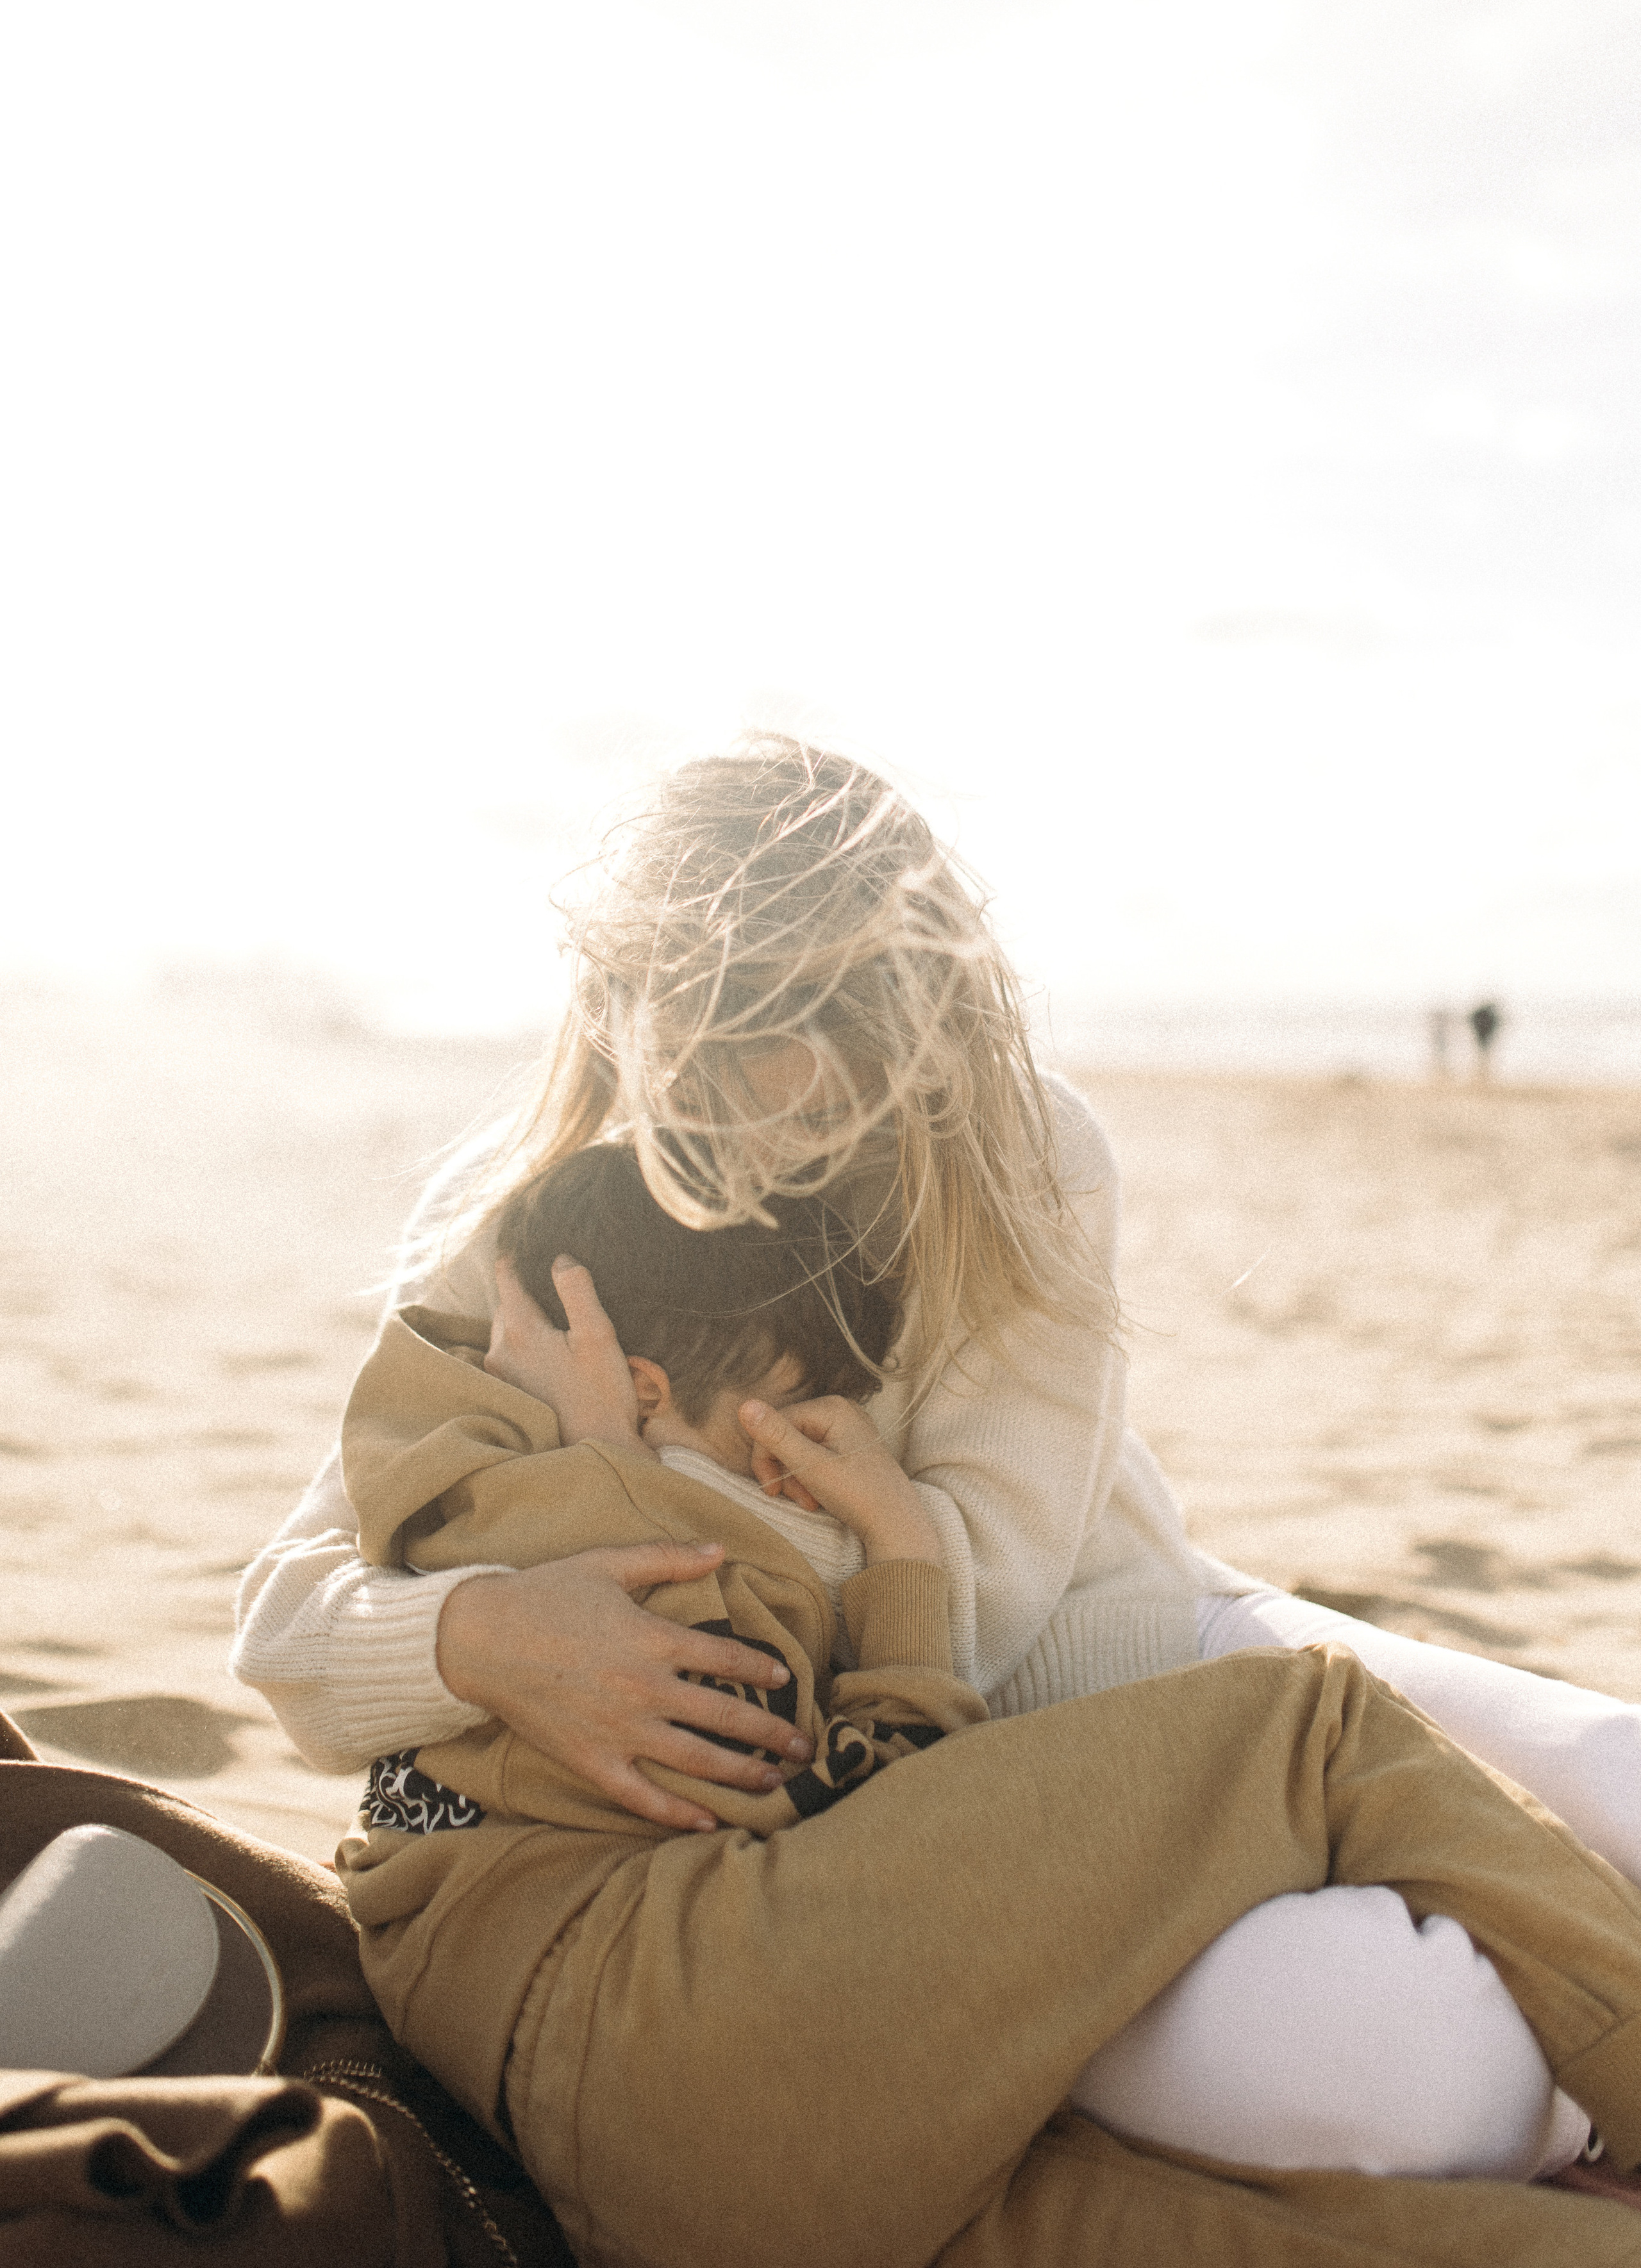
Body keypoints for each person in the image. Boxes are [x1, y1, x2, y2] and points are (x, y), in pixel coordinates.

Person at [233, 739, 1641, 2187]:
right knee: (1430, 2085)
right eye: (728, 1062)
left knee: (1616, 1772)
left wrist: (635, 1496)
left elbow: (1003, 1599)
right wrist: (481, 1633)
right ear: (633, 1020)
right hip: (879, 1825)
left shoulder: (1022, 1150)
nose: (784, 1122)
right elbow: (286, 1620)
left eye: (841, 1052)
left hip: (1142, 1631)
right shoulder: (535, 1229)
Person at [333, 1160, 1638, 2267]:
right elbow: (834, 1792)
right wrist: (634, 1469)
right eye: (765, 1429)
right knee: (1310, 1725)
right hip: (684, 2019)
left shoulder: (440, 1514)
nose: (785, 1466)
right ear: (647, 1390)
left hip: (685, 2190)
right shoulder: (626, 1560)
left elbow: (812, 1789)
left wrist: (897, 1559)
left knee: (1314, 2244)